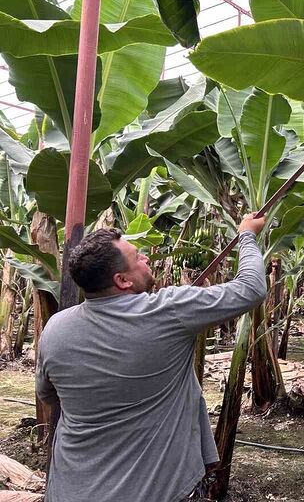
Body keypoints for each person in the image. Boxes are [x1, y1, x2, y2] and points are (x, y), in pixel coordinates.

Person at [35, 214, 268, 502]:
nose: (145, 257)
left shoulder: (55, 328)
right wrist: (247, 234)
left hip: (71, 490)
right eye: (137, 258)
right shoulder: (168, 311)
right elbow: (251, 289)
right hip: (157, 491)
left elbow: (48, 394)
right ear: (122, 280)